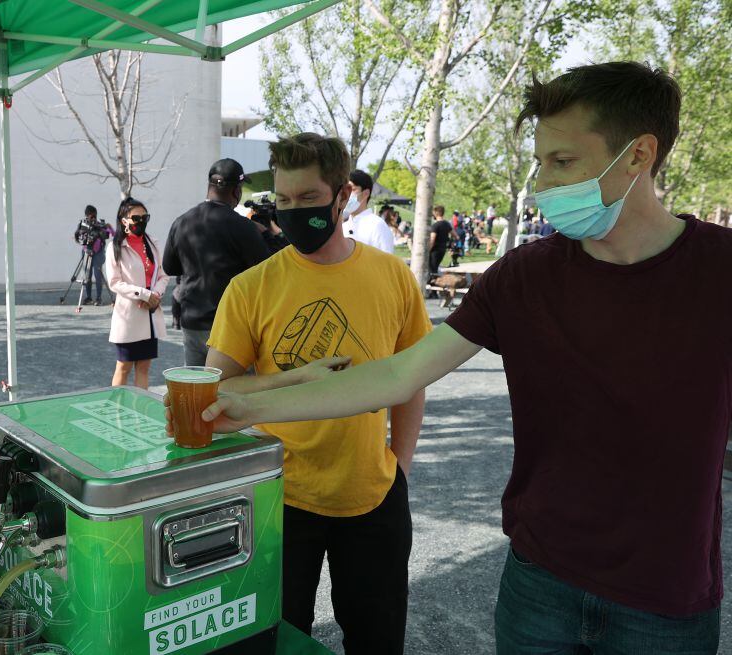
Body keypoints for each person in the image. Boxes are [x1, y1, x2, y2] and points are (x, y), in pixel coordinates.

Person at [187, 62, 729, 654]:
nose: (543, 184)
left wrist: (393, 462)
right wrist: (244, 402)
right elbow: (399, 373)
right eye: (540, 161)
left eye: (563, 162)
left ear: (639, 155)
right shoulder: (524, 277)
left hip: (663, 601)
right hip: (539, 581)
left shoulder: (717, 272)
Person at [196, 132, 431, 653]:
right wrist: (291, 378)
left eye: (308, 199)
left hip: (372, 495)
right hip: (281, 497)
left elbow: (411, 383)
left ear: (342, 195)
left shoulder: (393, 278)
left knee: (376, 639)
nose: (293, 211)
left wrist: (401, 469)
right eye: (283, 200)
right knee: (278, 638)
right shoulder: (251, 286)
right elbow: (215, 391)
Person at [162, 159, 269, 366]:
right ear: (236, 191)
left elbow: (170, 267)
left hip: (192, 321)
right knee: (229, 390)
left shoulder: (181, 222)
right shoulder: (243, 227)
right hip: (228, 325)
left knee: (195, 390)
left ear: (210, 185)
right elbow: (264, 270)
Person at [106, 197, 169, 389]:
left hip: (149, 314)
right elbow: (114, 282)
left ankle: (139, 409)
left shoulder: (153, 243)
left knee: (144, 367)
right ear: (124, 220)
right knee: (123, 366)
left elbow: (163, 275)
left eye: (145, 217)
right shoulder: (115, 247)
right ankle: (117, 411)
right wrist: (143, 294)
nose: (141, 222)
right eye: (136, 218)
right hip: (129, 315)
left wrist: (155, 295)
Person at [342, 170, 395, 254]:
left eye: (352, 189)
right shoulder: (342, 226)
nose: (346, 194)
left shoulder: (377, 225)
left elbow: (386, 262)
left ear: (366, 193)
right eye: (344, 190)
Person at [73, 204, 114, 306]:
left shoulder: (100, 225)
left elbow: (109, 234)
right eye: (90, 216)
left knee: (98, 274)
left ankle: (99, 298)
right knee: (87, 275)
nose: (92, 219)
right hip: (86, 251)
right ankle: (88, 297)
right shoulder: (83, 225)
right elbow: (77, 237)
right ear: (86, 215)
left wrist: (107, 228)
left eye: (94, 216)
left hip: (98, 252)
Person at [429, 205, 454, 275]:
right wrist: (450, 242)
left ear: (436, 213)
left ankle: (432, 281)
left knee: (432, 269)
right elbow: (455, 236)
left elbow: (432, 240)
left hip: (435, 250)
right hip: (443, 249)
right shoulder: (447, 224)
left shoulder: (435, 225)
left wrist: (428, 250)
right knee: (435, 267)